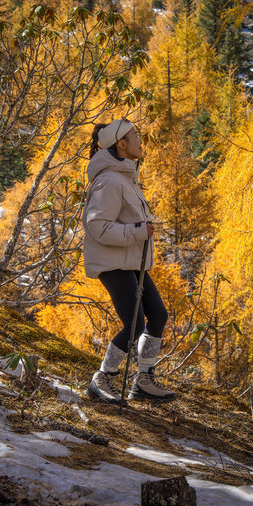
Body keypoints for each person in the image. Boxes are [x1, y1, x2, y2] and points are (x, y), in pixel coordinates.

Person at [82, 117, 176, 404]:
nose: (140, 140)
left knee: (158, 315)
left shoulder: (125, 178)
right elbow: (97, 226)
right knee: (134, 324)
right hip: (113, 264)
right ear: (121, 144)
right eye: (135, 136)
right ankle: (102, 378)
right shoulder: (109, 181)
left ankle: (143, 380)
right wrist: (136, 231)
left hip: (132, 262)